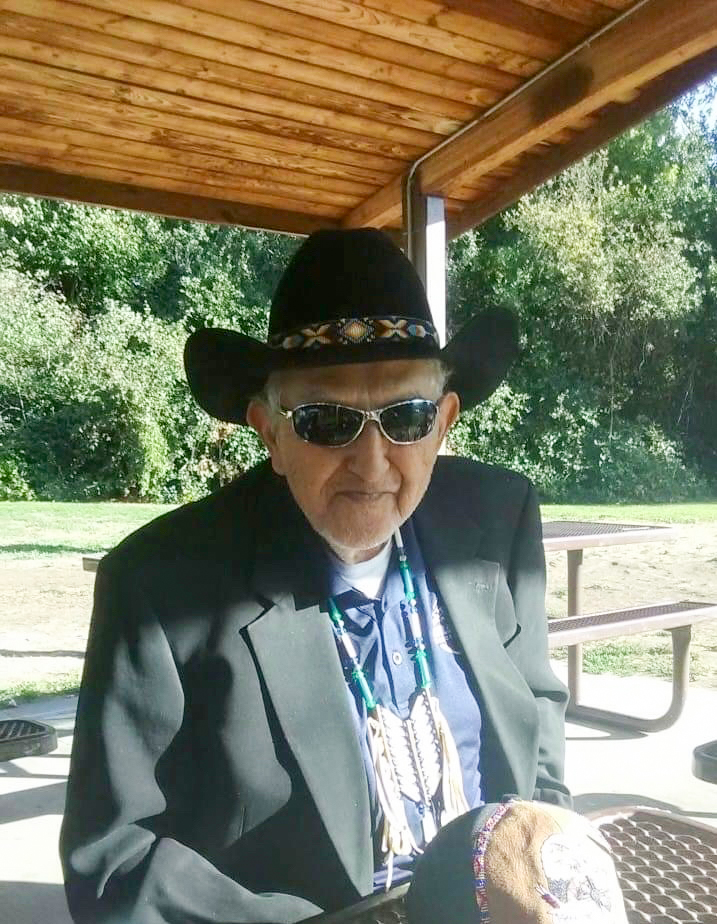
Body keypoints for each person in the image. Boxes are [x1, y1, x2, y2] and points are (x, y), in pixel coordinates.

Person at [60, 229, 570, 924]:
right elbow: (113, 857)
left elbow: (537, 706)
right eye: (327, 421)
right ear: (269, 432)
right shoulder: (159, 585)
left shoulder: (497, 518)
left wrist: (548, 852)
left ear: (444, 421)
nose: (372, 463)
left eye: (407, 417)